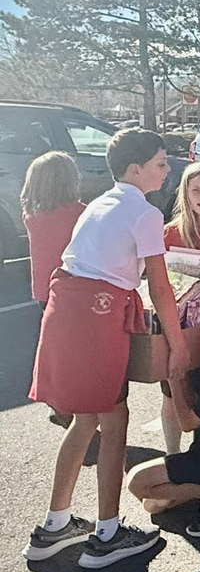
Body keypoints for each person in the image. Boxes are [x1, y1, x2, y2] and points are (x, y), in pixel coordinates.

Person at [22, 128, 192, 569]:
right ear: (135, 168)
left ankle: (55, 525)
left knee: (85, 421)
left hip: (64, 310)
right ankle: (108, 533)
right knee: (114, 419)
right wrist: (179, 347)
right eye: (159, 162)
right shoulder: (145, 212)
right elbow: (160, 286)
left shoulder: (99, 202)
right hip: (97, 317)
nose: (167, 168)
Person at [160, 162, 200, 455]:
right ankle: (173, 454)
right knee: (171, 393)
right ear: (184, 192)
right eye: (196, 189)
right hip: (178, 327)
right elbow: (158, 281)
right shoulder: (170, 233)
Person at [127, 360, 200, 538]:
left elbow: (187, 423)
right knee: (152, 505)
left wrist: (173, 382)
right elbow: (193, 404)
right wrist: (182, 379)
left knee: (136, 482)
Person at [20, 151, 86, 428]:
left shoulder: (32, 215)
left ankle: (57, 403)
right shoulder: (79, 213)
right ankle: (76, 406)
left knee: (51, 349)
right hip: (71, 290)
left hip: (42, 290)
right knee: (76, 351)